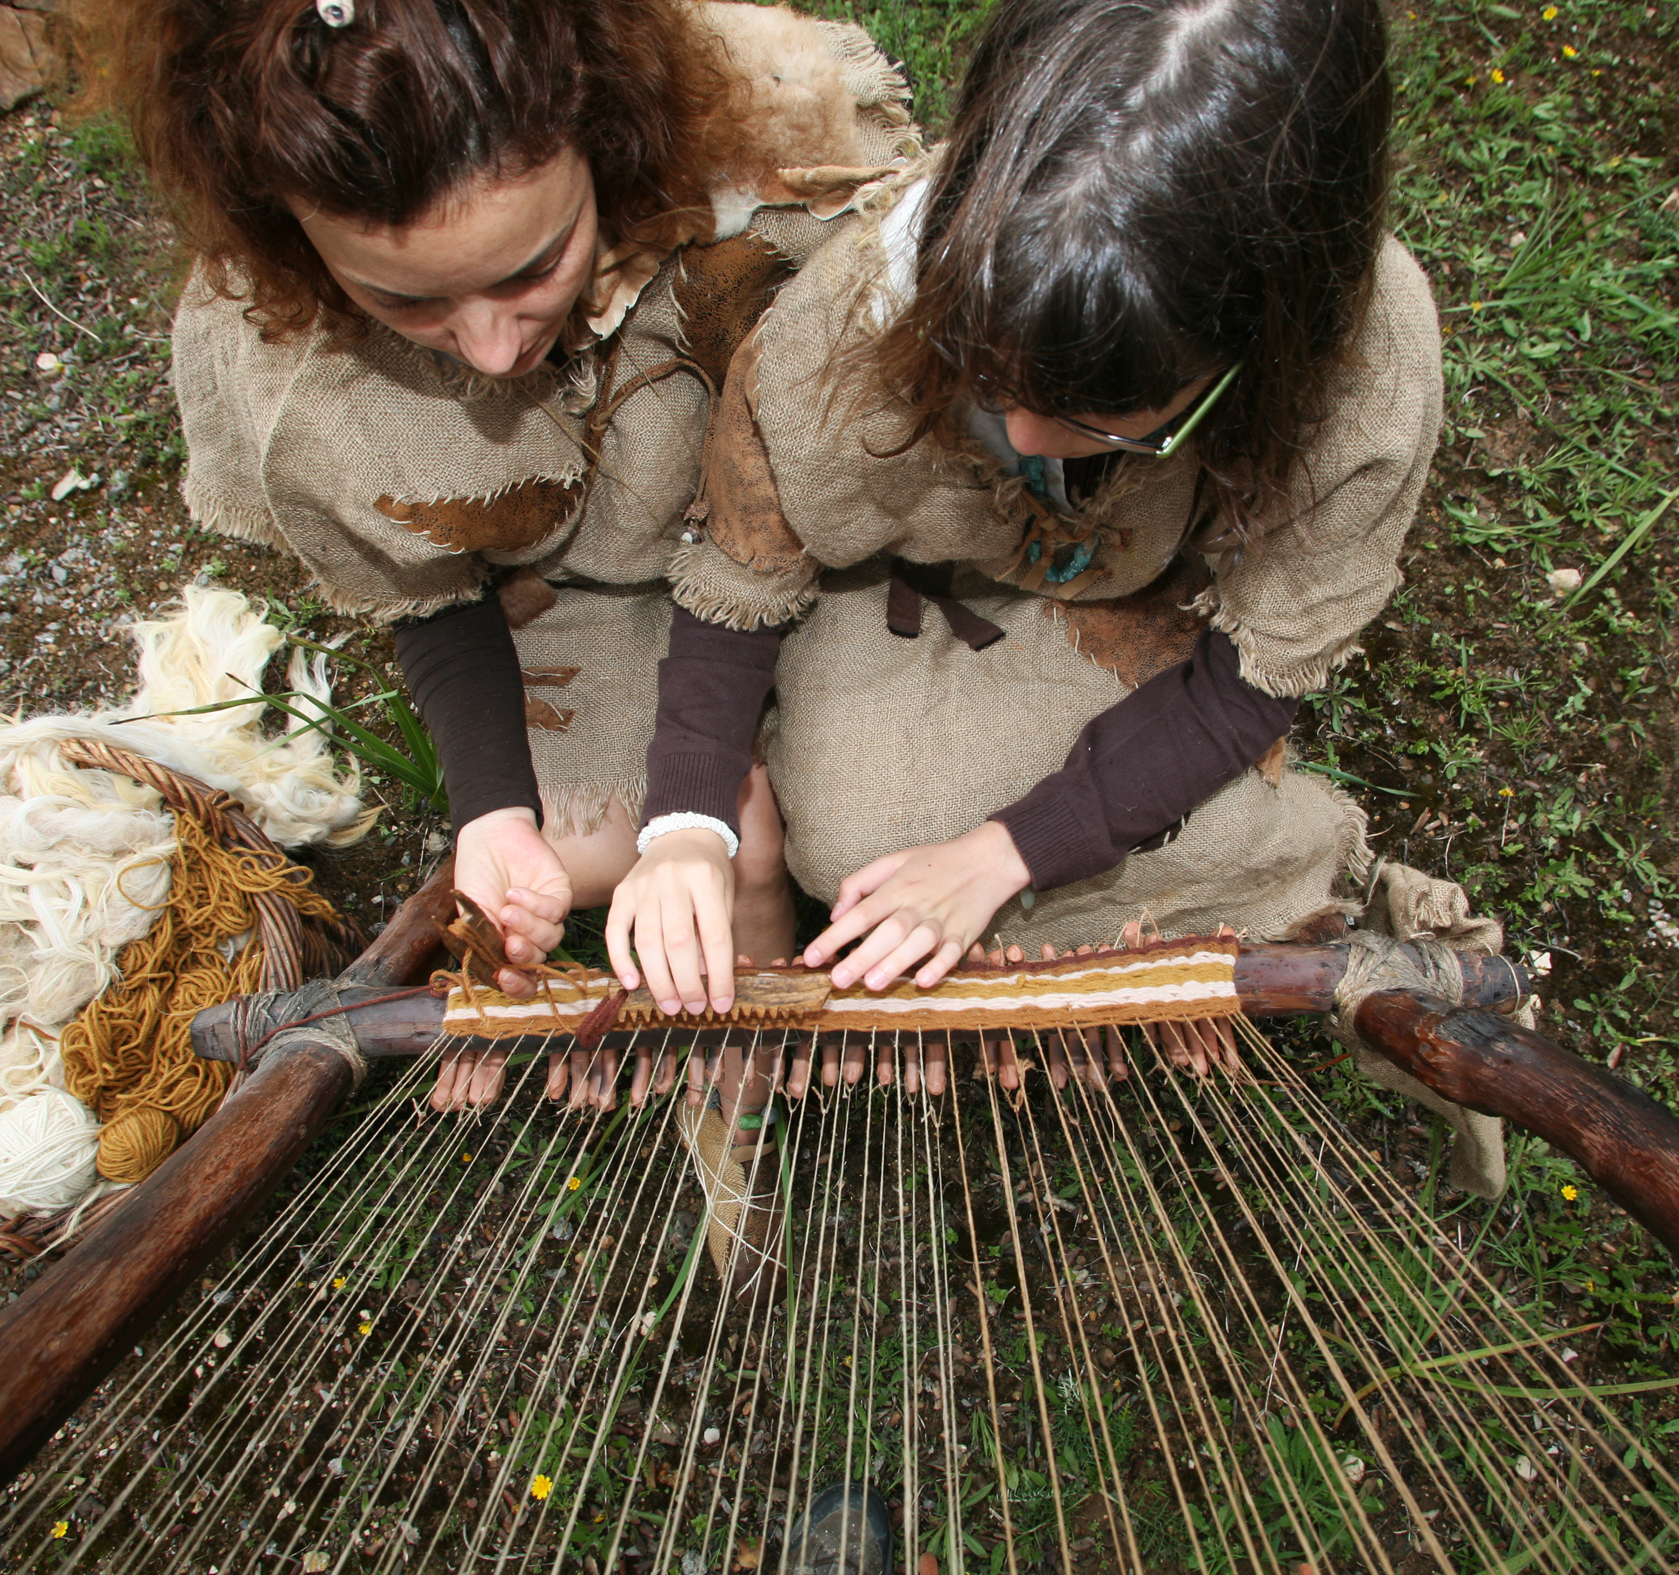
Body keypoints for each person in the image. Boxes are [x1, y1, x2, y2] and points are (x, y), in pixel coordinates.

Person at [608, 0, 1437, 1093]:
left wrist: (1002, 853)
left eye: (1108, 414)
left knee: (931, 854)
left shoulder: (1366, 377)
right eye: (987, 376)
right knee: (860, 840)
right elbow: (736, 579)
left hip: (1141, 606)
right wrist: (683, 824)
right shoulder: (843, 320)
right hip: (910, 583)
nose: (1030, 441)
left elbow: (1248, 679)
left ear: (1261, 345)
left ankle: (1287, 860)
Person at [102, 0, 920, 1107]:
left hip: (793, 553)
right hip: (573, 595)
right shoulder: (285, 355)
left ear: (607, 130)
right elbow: (430, 593)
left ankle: (759, 1007)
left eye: (532, 267)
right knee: (653, 845)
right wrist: (493, 811)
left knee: (860, 821)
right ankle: (747, 1071)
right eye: (407, 299)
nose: (491, 349)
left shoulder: (778, 176)